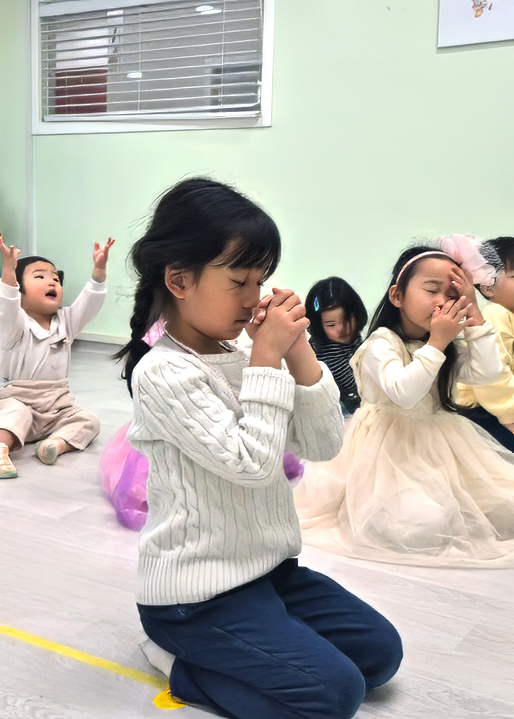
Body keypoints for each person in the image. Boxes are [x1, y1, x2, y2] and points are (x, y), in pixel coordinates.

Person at [115, 178, 402, 719]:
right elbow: (252, 464)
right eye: (239, 281)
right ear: (179, 279)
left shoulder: (245, 354)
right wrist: (267, 360)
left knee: (380, 655)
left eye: (261, 280)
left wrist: (299, 354)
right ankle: (176, 662)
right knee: (335, 695)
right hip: (194, 598)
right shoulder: (164, 372)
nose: (254, 299)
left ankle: (261, 642)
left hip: (267, 573)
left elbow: (323, 444)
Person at [296, 236, 514, 568]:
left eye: (452, 294)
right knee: (420, 528)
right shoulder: (381, 342)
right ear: (397, 295)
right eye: (432, 290)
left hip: (442, 441)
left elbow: (488, 376)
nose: (442, 301)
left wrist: (475, 319)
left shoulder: (449, 343)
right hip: (387, 448)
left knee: (503, 509)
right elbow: (404, 394)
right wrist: (437, 342)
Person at [0, 234, 114, 478]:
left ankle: (55, 444)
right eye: (40, 277)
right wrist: (8, 272)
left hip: (57, 405)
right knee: (15, 415)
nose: (52, 282)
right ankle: (1, 447)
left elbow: (89, 303)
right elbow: (7, 302)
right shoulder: (14, 325)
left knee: (88, 420)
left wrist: (98, 273)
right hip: (19, 400)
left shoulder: (66, 322)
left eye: (55, 278)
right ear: (20, 290)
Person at [457, 236, 514, 451]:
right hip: (484, 411)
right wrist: (510, 416)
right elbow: (493, 377)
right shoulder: (495, 313)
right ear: (488, 287)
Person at [305, 277, 367, 414]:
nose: (341, 329)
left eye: (347, 320)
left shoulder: (359, 340)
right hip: (336, 410)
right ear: (319, 325)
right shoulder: (318, 351)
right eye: (331, 324)